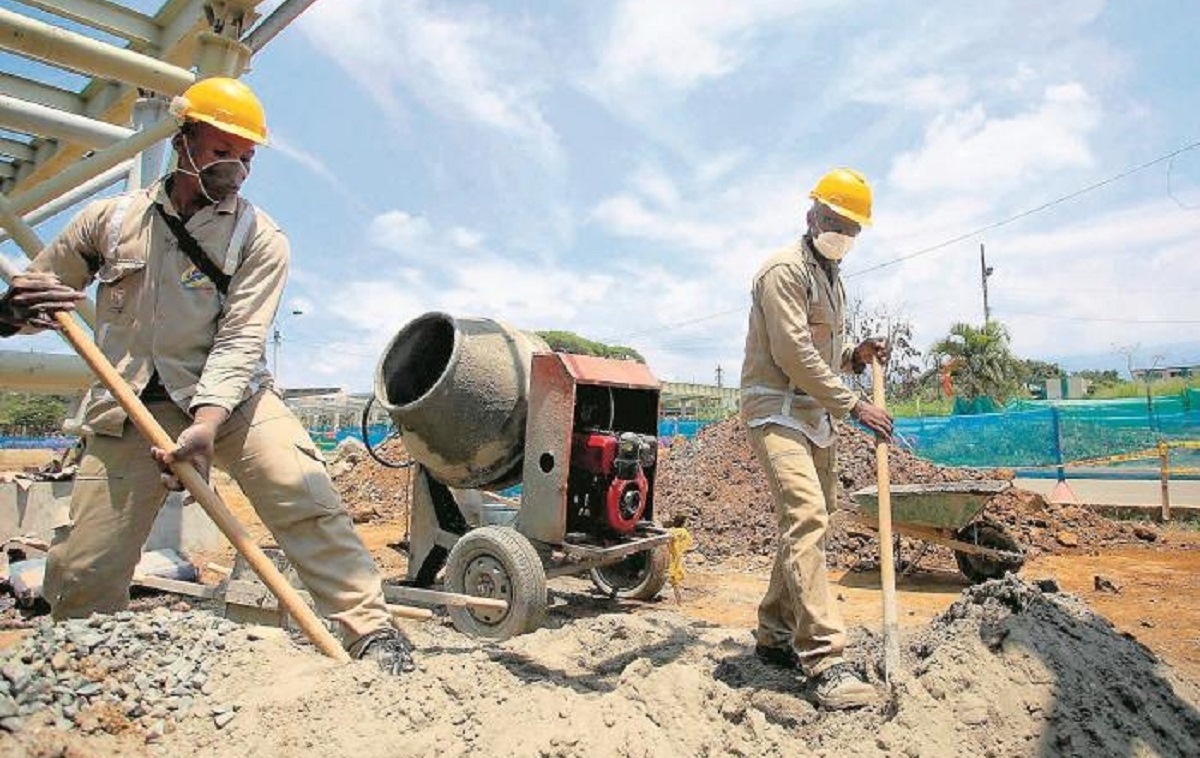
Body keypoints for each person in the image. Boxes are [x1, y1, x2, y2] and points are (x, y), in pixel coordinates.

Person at [0, 77, 412, 674]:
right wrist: (15, 310)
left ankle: (373, 634)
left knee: (305, 495)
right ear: (184, 140)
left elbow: (242, 339)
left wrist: (207, 423)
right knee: (85, 566)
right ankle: (81, 665)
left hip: (235, 402)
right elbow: (43, 296)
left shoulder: (259, 238)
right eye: (222, 152)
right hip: (130, 404)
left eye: (246, 159)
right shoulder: (109, 222)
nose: (236, 170)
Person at [739, 167, 894, 710]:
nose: (841, 233)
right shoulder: (783, 271)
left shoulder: (833, 275)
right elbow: (793, 355)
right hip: (775, 411)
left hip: (813, 414)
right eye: (833, 222)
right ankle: (825, 658)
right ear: (812, 217)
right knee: (806, 516)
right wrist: (855, 405)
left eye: (852, 227)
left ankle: (773, 634)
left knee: (818, 515)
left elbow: (824, 354)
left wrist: (855, 359)